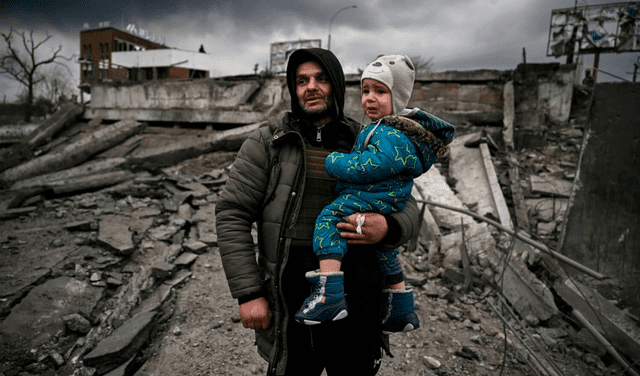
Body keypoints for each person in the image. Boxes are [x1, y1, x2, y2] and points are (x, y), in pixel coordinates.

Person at [215, 48, 421, 376]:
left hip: (360, 303)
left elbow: (410, 208)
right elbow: (232, 213)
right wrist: (249, 293)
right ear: (293, 89)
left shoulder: (369, 139)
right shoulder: (269, 142)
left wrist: (388, 227)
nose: (311, 86)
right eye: (302, 80)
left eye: (321, 78)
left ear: (336, 85)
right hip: (293, 303)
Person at [295, 55, 455, 335]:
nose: (370, 98)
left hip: (374, 195)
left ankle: (329, 293)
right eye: (366, 90)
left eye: (380, 91)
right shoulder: (386, 129)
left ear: (399, 97)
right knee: (385, 251)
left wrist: (335, 162)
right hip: (386, 197)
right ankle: (402, 307)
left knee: (329, 218)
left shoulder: (388, 133)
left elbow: (369, 167)